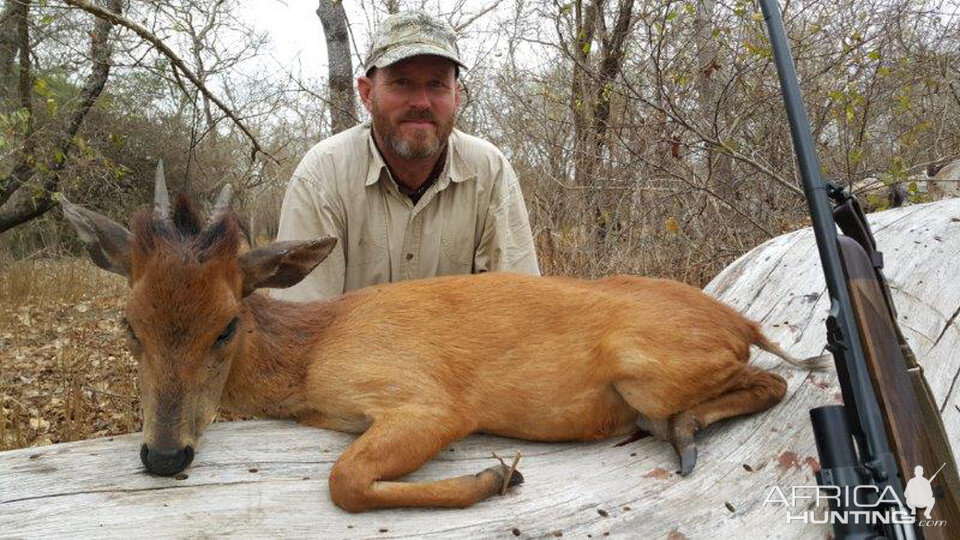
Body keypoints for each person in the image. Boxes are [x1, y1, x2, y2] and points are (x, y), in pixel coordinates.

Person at [271, 10, 539, 302]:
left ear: (456, 96)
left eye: (437, 84)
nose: (421, 102)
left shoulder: (490, 171)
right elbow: (303, 324)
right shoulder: (323, 177)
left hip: (461, 349)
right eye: (401, 82)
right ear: (366, 93)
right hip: (353, 349)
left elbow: (518, 310)